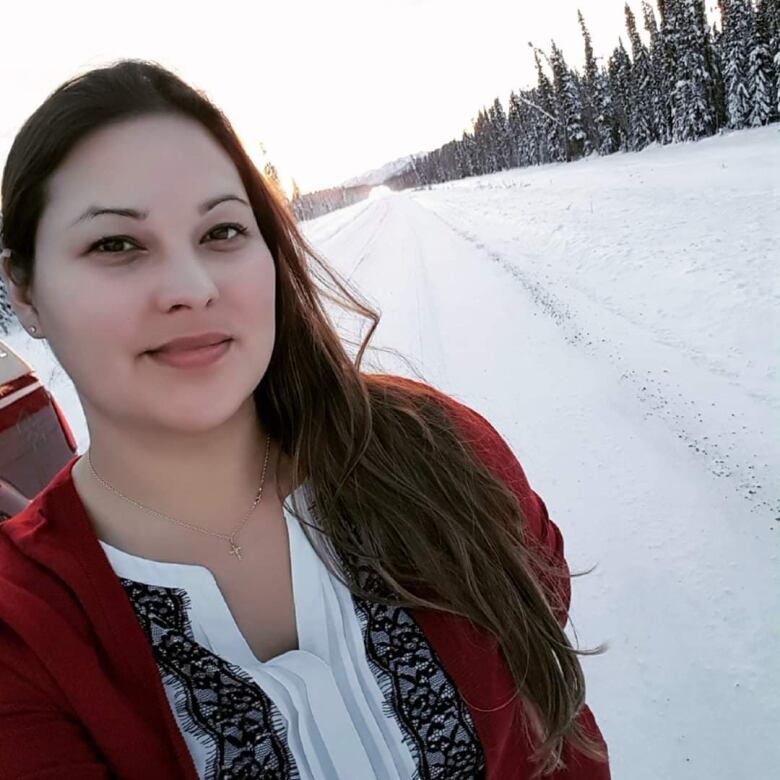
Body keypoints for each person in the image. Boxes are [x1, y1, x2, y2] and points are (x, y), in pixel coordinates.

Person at [0, 59, 610, 779]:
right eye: (116, 244)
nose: (191, 289)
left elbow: (557, 728)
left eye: (222, 232)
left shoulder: (440, 453)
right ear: (27, 292)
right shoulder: (23, 632)